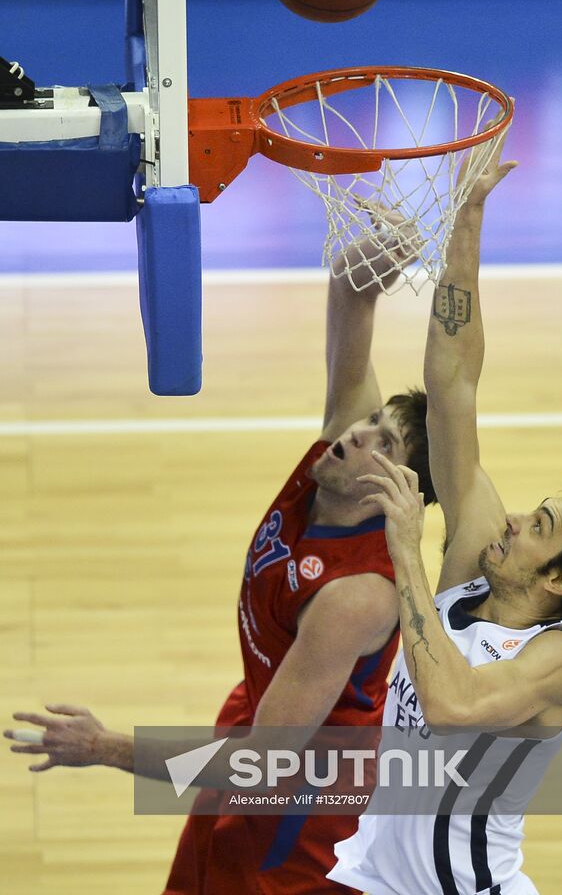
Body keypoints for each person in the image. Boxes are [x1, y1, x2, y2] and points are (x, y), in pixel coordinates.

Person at [5, 222, 436, 895]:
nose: (356, 431)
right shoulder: (333, 466)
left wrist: (104, 748)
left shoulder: (358, 596)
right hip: (262, 721)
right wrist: (366, 260)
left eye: (381, 440)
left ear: (392, 491)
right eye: (369, 420)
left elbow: (261, 766)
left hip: (297, 811)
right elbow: (353, 298)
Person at [328, 132, 562, 895]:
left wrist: (409, 551)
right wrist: (466, 221)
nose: (512, 522)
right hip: (368, 878)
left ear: (561, 580)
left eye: (538, 530)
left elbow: (451, 705)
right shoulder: (479, 563)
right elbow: (452, 384)